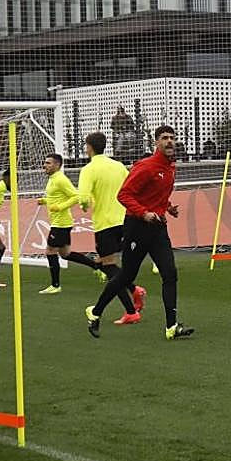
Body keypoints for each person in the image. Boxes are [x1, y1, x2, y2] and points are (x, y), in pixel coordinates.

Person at [86, 124, 194, 341]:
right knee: (127, 275)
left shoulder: (170, 167)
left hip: (158, 227)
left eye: (172, 137)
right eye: (165, 138)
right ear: (156, 142)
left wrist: (167, 207)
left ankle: (172, 326)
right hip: (137, 227)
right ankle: (95, 312)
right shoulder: (146, 166)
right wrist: (144, 213)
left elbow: (156, 193)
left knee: (169, 273)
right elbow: (124, 195)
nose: (169, 141)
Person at [77, 132, 142, 324]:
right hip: (125, 220)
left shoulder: (89, 169)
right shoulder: (118, 166)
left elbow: (83, 197)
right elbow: (132, 188)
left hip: (105, 223)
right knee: (110, 263)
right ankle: (134, 290)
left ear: (89, 147)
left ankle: (131, 310)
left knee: (109, 267)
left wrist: (84, 205)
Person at [37, 152, 102, 294]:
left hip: (61, 223)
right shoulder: (53, 179)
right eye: (45, 162)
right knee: (65, 253)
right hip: (59, 222)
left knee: (50, 251)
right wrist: (45, 201)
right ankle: (97, 267)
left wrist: (60, 207)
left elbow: (76, 196)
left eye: (48, 163)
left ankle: (55, 285)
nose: (45, 165)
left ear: (57, 165)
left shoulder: (60, 179)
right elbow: (57, 198)